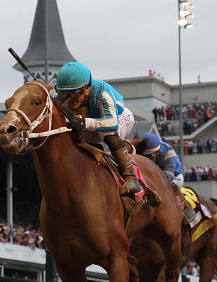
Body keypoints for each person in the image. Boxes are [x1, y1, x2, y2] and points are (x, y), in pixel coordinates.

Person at [55, 62, 141, 196]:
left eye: (75, 93)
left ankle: (130, 177)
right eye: (64, 93)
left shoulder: (101, 92)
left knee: (107, 134)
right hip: (92, 126)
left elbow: (111, 123)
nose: (69, 99)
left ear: (87, 88)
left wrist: (84, 122)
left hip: (119, 118)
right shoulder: (62, 99)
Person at [134, 132, 196, 224]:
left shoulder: (168, 152)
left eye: (149, 157)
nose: (145, 160)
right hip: (154, 174)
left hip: (174, 176)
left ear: (157, 152)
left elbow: (167, 179)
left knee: (170, 185)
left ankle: (186, 208)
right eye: (143, 156)